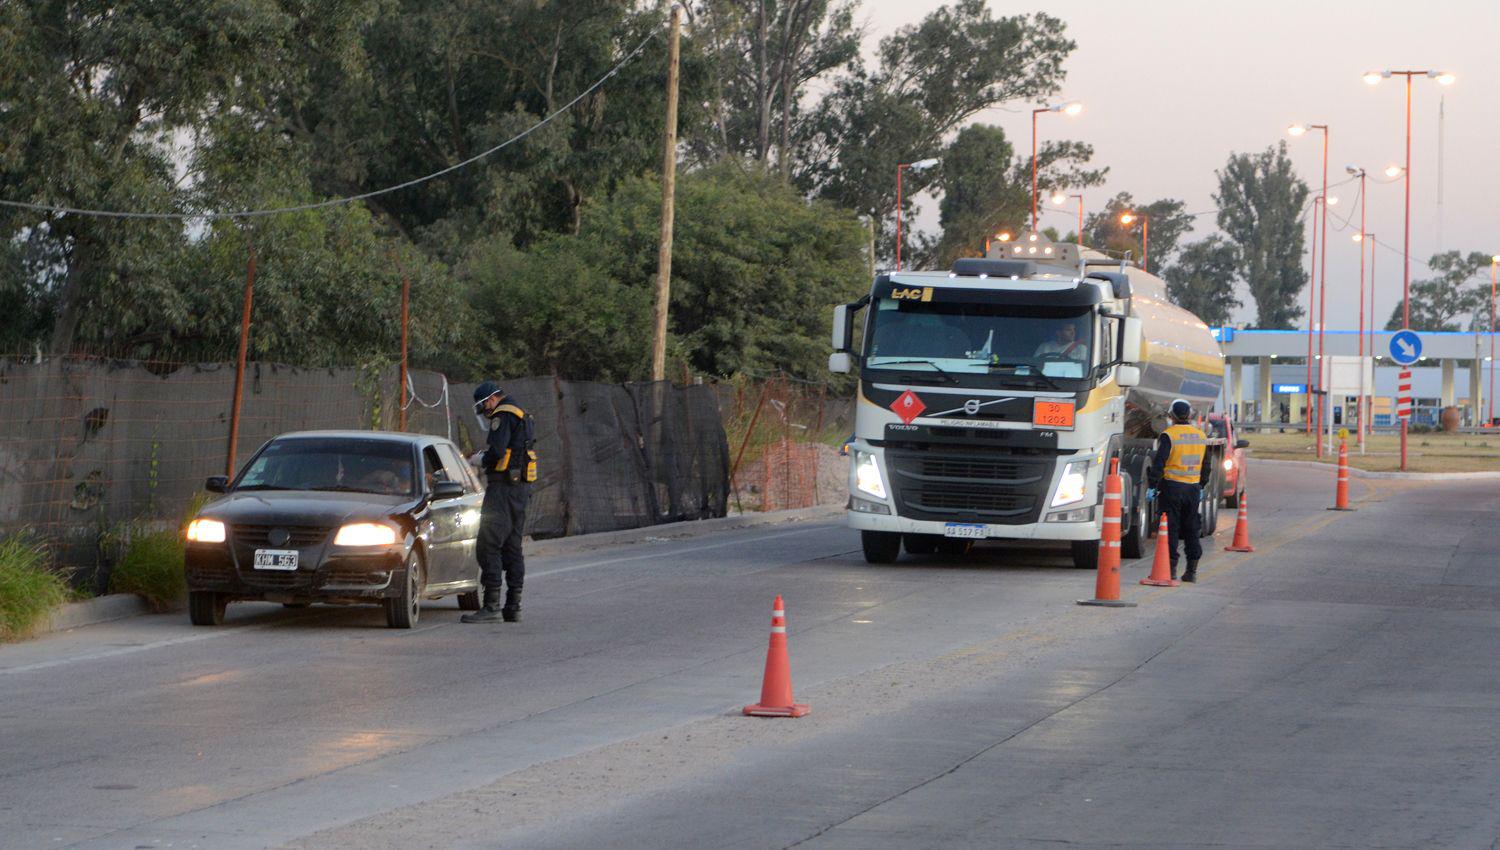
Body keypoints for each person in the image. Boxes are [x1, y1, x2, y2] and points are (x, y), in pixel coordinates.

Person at [461, 381, 534, 624]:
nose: (486, 412)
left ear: (492, 399)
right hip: (520, 490)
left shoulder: (503, 415)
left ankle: (491, 605)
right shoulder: (523, 414)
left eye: (485, 407)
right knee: (513, 545)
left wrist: (479, 459)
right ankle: (514, 606)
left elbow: (498, 452)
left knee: (488, 544)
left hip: (502, 489)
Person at [1149, 398, 1207, 583]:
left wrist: (1152, 485)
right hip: (1193, 489)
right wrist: (1202, 485)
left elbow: (1160, 462)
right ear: (1189, 415)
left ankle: (1171, 569)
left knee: (1170, 528)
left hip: (1172, 488)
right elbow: (1206, 465)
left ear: (1171, 416)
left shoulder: (1169, 435)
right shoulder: (1200, 435)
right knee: (1191, 528)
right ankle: (1191, 571)